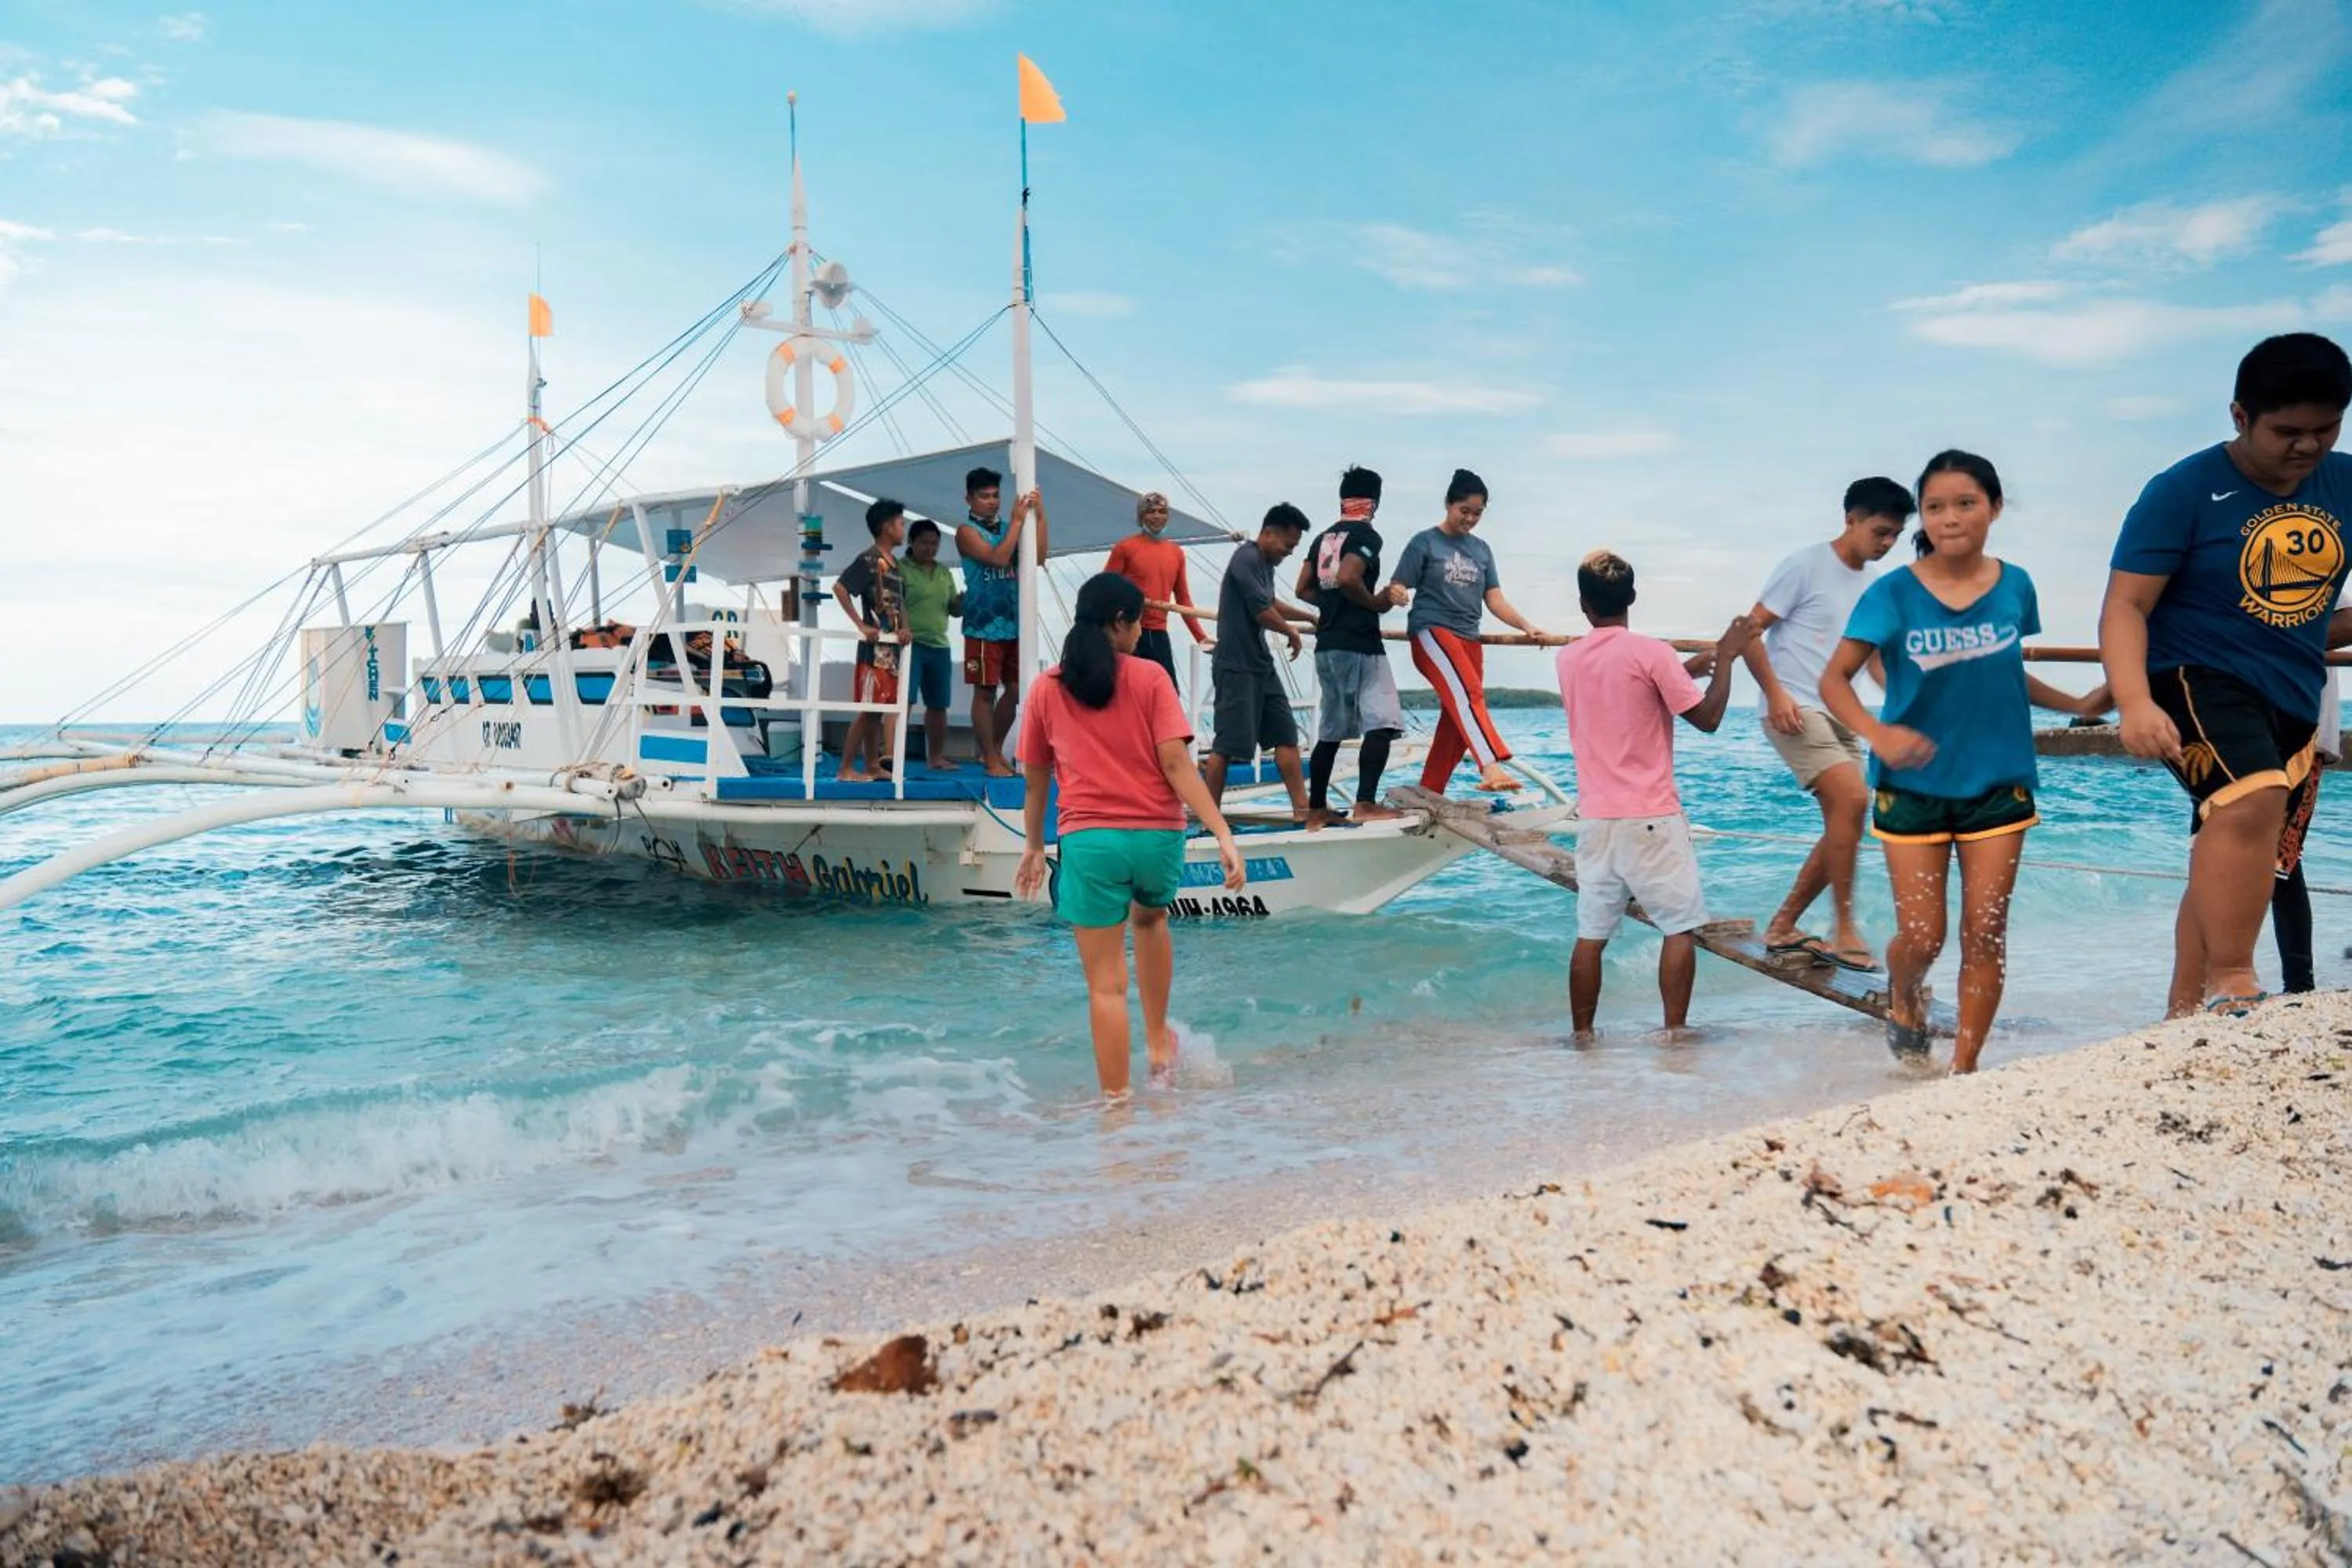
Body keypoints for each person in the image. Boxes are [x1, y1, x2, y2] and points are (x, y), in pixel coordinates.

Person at [1820, 451, 2109, 1074]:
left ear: (1994, 508)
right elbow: (1834, 682)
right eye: (1935, 507)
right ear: (1923, 515)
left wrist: (2078, 702)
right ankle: (1904, 994)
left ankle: (1965, 1070)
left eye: (1966, 503)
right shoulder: (1892, 593)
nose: (1950, 518)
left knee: (1985, 933)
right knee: (1923, 937)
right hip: (1912, 786)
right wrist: (1878, 733)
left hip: (1999, 782)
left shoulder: (2016, 585)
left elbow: (2003, 670)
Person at [2101, 332, 2352, 1017]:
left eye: (2325, 429)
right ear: (2240, 417)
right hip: (2190, 675)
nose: (2307, 447)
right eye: (2288, 431)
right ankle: (2234, 983)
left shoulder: (2347, 482)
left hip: (2292, 690)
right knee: (2250, 800)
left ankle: (2181, 1011)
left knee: (2230, 839)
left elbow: (2301, 617)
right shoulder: (2182, 490)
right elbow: (2126, 605)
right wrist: (2131, 701)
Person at [1014, 572, 1246, 1098]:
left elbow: (1035, 781)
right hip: (1156, 841)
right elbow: (1177, 764)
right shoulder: (1150, 678)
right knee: (1150, 918)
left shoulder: (1047, 687)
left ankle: (1117, 1112)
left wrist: (1032, 846)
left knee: (1105, 987)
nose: (1143, 630)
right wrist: (1223, 831)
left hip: (1091, 843)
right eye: (1139, 619)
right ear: (1119, 622)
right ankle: (1159, 1046)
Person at [1555, 552, 1752, 1038]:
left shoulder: (1568, 659)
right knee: (1678, 929)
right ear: (1633, 599)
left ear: (1583, 604)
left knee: (1591, 937)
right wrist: (1724, 661)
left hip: (1597, 820)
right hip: (1651, 817)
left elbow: (1628, 691)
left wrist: (1690, 667)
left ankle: (1583, 1038)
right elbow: (1707, 719)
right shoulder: (1653, 653)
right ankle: (1675, 1036)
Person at [1744, 477, 1915, 972]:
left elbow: (1876, 662)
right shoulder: (1804, 566)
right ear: (1851, 520)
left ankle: (1783, 926)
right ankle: (1842, 929)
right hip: (1794, 708)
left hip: (1842, 712)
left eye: (1895, 536)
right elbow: (1750, 631)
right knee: (1854, 800)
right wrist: (1775, 693)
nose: (1885, 544)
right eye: (1880, 532)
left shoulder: (1876, 585)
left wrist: (1907, 709)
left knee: (1849, 818)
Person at [1389, 467, 1550, 795]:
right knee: (1468, 696)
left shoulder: (1482, 550)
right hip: (1432, 632)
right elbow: (1398, 583)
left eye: (1478, 513)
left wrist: (1526, 626)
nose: (1471, 519)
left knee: (1456, 719)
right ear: (1448, 504)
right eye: (1465, 511)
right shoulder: (1425, 542)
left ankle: (1429, 792)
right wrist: (1396, 592)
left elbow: (1494, 598)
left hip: (1469, 638)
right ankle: (1491, 766)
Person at [1294, 465, 1408, 830]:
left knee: (1330, 730)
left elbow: (1303, 588)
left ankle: (1316, 810)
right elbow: (1348, 576)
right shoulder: (1366, 535)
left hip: (1328, 644)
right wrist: (1375, 603)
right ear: (1374, 501)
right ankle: (1365, 803)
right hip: (1361, 643)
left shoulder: (1324, 537)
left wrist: (1331, 607)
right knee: (1384, 719)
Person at [1203, 503, 1316, 814]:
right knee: (1226, 746)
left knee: (1285, 737)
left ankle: (1302, 808)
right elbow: (1261, 610)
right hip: (1235, 665)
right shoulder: (1246, 558)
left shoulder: (1265, 564)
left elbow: (1273, 602)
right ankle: (1210, 813)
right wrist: (1291, 633)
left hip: (1260, 664)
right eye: (1288, 545)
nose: (1289, 552)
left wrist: (1310, 618)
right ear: (1268, 534)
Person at [956, 466, 1051, 778]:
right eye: (984, 496)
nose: (992, 502)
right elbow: (997, 557)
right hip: (983, 622)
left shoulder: (1010, 526)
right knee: (985, 691)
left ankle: (993, 750)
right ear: (969, 499)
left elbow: (1037, 557)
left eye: (996, 496)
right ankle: (989, 755)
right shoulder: (966, 532)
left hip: (1013, 621)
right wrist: (1019, 522)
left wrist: (1039, 514)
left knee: (1015, 688)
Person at [832, 498, 912, 783]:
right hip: (873, 651)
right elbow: (840, 588)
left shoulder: (896, 565)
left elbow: (901, 605)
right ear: (886, 527)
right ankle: (845, 768)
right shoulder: (868, 559)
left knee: (879, 712)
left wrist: (906, 629)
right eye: (901, 524)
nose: (904, 528)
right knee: (868, 711)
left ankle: (871, 764)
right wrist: (860, 623)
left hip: (892, 651)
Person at [2273, 673, 2340, 993]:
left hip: (2304, 736)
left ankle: (2299, 983)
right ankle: (2217, 979)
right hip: (2247, 726)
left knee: (2282, 862)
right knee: (2224, 854)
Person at [1105, 492, 1212, 688]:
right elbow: (1103, 590)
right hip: (1128, 631)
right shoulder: (1125, 548)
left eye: (1162, 512)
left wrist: (1201, 637)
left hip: (1159, 633)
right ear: (1141, 517)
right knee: (1128, 692)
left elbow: (1183, 600)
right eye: (1151, 512)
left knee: (1167, 692)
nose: (1157, 517)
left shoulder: (1175, 553)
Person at [900, 518, 963, 771]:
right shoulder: (900, 569)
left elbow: (954, 610)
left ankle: (935, 757)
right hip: (910, 645)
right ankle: (892, 755)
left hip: (939, 645)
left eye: (935, 543)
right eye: (924, 542)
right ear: (911, 542)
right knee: (904, 701)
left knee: (939, 704)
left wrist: (963, 601)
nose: (930, 548)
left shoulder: (944, 572)